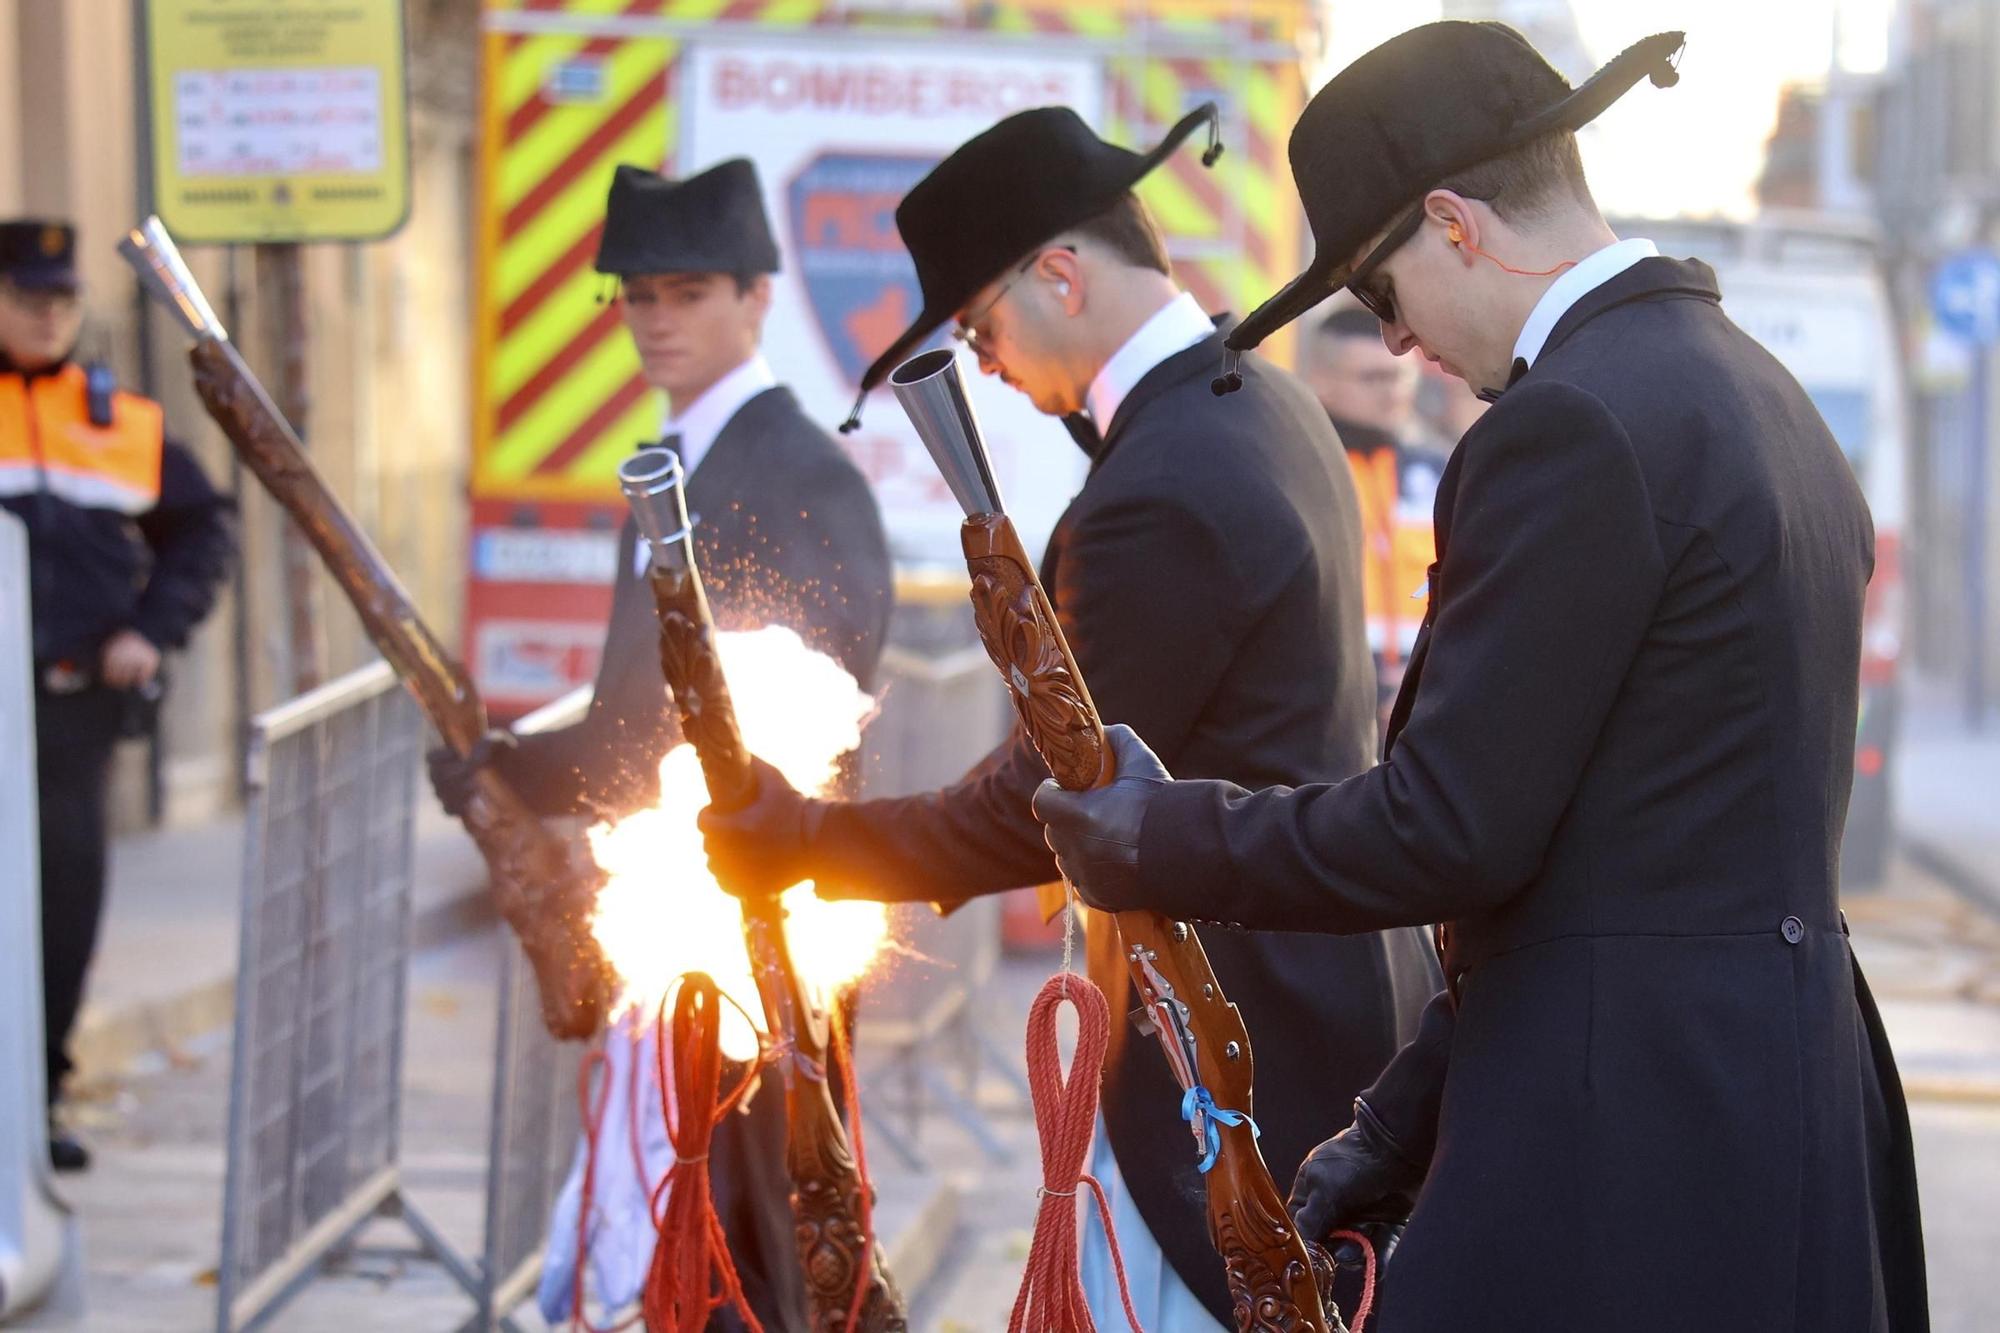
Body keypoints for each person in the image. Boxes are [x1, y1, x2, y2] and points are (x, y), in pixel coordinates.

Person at [1033, 22, 1929, 1333]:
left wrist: (1165, 834)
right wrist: (1394, 1130)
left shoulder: (1569, 423)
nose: (1396, 345)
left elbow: (1445, 828)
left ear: (1452, 223)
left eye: (1382, 292)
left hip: (1626, 1132)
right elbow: (1588, 861)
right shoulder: (1764, 395)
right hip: (1774, 1102)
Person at [698, 106, 1440, 1330]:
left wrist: (809, 843)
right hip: (1304, 996)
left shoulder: (1161, 483)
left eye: (982, 326)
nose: (983, 365)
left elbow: (1045, 803)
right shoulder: (1256, 398)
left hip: (1227, 1037)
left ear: (1060, 271)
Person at [427, 159, 893, 1331]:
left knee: (757, 1255)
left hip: (751, 930)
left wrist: (538, 773)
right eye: (635, 296)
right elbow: (649, 710)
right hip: (685, 922)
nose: (654, 321)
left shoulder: (795, 469)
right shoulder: (685, 454)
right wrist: (509, 764)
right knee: (690, 1243)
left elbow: (793, 709)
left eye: (684, 293)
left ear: (755, 299)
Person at [0, 219, 233, 1172]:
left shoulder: (120, 420)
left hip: (69, 707)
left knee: (61, 904)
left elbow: (202, 531)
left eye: (64, 301)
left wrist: (150, 629)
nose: (51, 317)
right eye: (30, 299)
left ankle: (37, 1100)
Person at [1302, 305, 1447, 727]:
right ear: (1322, 381)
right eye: (1372, 378)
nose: (1392, 393)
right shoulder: (1303, 469)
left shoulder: (1438, 471)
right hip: (1329, 704)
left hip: (1423, 699)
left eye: (1400, 377)